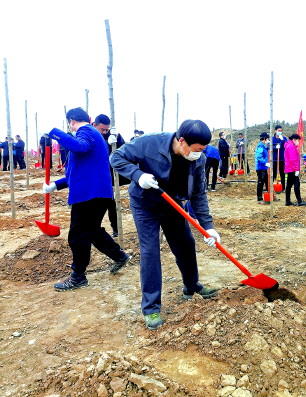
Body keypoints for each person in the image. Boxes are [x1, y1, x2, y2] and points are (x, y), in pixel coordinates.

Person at [110, 119, 220, 330]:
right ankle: (151, 308)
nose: (200, 153)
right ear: (182, 141)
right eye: (197, 149)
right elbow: (116, 157)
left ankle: (192, 286)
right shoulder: (150, 143)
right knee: (150, 252)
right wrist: (137, 175)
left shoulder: (198, 160)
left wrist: (208, 226)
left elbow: (198, 194)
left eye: (203, 149)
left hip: (174, 204)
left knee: (185, 244)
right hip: (145, 205)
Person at [43, 107, 131, 292]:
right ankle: (119, 256)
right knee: (92, 231)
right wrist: (55, 185)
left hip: (90, 195)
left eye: (69, 125)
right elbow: (79, 172)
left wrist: (54, 133)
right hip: (95, 193)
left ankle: (78, 276)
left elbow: (80, 146)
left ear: (71, 121)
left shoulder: (86, 131)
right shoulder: (90, 134)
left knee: (77, 235)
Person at [92, 114, 128, 237]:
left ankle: (116, 229)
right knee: (98, 203)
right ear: (94, 125)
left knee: (112, 203)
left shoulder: (112, 135)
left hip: (111, 174)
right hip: (96, 175)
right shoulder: (90, 135)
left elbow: (124, 150)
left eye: (106, 129)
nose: (105, 132)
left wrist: (116, 140)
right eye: (102, 129)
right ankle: (94, 227)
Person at [284, 134, 306, 206]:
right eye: (297, 140)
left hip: (289, 168)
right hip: (292, 169)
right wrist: (296, 169)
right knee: (296, 184)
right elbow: (293, 159)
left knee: (288, 185)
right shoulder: (291, 147)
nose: (298, 141)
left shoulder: (290, 146)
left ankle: (287, 201)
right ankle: (299, 201)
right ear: (294, 139)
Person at [255, 132, 270, 204]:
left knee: (267, 181)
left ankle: (268, 196)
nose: (268, 140)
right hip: (260, 168)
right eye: (267, 139)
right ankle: (259, 197)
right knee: (260, 182)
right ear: (264, 139)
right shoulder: (260, 146)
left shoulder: (264, 146)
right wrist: (265, 162)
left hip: (264, 168)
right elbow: (259, 157)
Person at [272, 125, 287, 192]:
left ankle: (283, 187)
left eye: (281, 131)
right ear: (275, 131)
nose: (280, 132)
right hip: (274, 159)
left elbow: (287, 145)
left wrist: (283, 140)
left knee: (282, 173)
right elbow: (269, 147)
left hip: (282, 158)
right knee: (274, 173)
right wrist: (275, 147)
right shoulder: (272, 139)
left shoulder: (284, 138)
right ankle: (274, 186)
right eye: (279, 131)